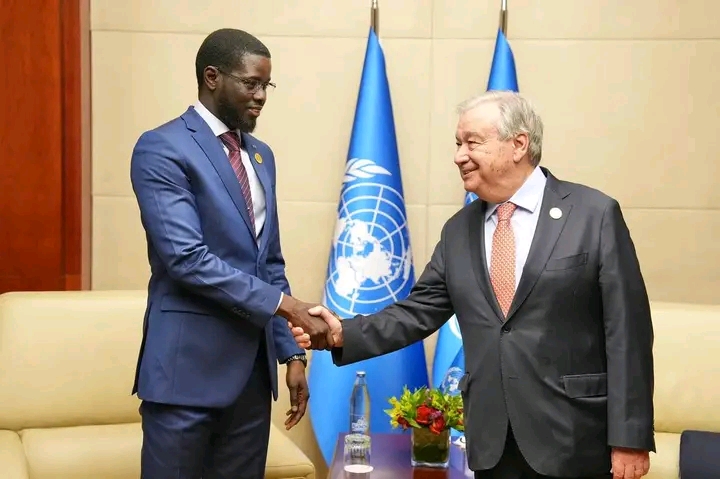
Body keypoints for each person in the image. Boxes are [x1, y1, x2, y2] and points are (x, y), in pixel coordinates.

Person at [294, 91, 655, 479]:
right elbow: (415, 313)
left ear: (519, 144)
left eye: (472, 142)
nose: (458, 156)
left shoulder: (593, 215)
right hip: (492, 443)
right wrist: (341, 333)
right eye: (457, 143)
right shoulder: (458, 231)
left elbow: (627, 333)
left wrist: (630, 437)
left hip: (574, 437)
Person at [129, 28, 333, 479]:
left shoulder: (261, 156)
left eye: (266, 85)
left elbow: (268, 263)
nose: (261, 96)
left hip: (251, 382)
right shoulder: (162, 147)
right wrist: (288, 306)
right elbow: (186, 259)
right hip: (186, 376)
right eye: (250, 83)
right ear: (212, 77)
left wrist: (291, 355)